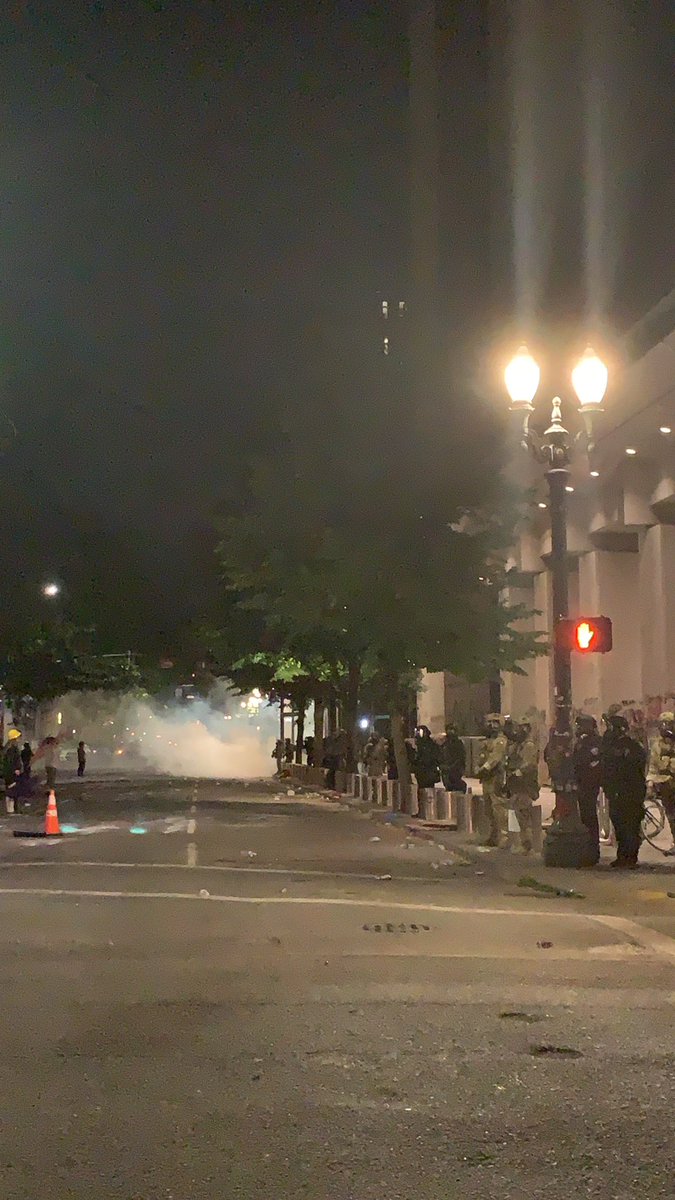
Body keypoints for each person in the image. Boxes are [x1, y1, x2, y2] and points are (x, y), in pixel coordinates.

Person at [601, 712, 647, 869]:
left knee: (630, 826)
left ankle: (630, 857)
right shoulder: (610, 746)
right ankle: (622, 856)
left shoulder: (631, 747)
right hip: (616, 793)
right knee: (619, 825)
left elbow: (634, 768)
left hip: (630, 793)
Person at [504, 718, 540, 854]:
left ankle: (527, 843)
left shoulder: (528, 746)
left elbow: (529, 765)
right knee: (514, 813)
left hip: (525, 785)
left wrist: (517, 773)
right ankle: (517, 841)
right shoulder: (517, 746)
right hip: (516, 786)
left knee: (523, 814)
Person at [572, 713, 602, 863]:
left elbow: (594, 763)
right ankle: (586, 848)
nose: (579, 728)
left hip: (590, 784)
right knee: (584, 816)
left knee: (589, 817)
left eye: (581, 725)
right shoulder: (579, 742)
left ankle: (592, 849)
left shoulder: (595, 742)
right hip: (580, 783)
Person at [477, 714, 508, 847]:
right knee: (488, 809)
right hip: (487, 778)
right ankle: (493, 836)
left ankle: (504, 837)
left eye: (495, 722)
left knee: (499, 807)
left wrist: (485, 768)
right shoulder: (487, 741)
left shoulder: (501, 741)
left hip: (497, 777)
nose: (491, 725)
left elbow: (495, 758)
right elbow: (482, 757)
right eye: (489, 722)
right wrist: (479, 768)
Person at [647, 710, 675, 855]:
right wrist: (650, 783)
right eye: (663, 724)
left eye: (668, 724)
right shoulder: (657, 745)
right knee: (671, 816)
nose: (665, 727)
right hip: (665, 786)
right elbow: (653, 765)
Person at [412, 725, 441, 816]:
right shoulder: (420, 745)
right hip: (421, 772)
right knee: (421, 792)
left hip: (428, 771)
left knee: (427, 791)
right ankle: (423, 811)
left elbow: (432, 758)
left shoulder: (429, 745)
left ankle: (428, 811)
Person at [439, 723, 467, 793]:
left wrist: (453, 767)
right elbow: (440, 755)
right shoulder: (445, 743)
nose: (451, 732)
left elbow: (461, 757)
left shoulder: (458, 743)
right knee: (448, 785)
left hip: (455, 769)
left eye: (452, 730)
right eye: (449, 729)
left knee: (456, 784)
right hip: (446, 769)